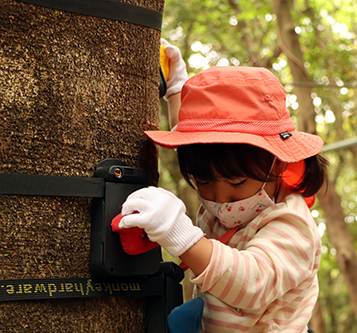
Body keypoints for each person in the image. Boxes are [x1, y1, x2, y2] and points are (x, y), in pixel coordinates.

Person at [118, 40, 329, 332]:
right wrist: (176, 88)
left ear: (277, 164)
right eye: (203, 181)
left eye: (237, 182)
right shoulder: (227, 192)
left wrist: (180, 234)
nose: (220, 197)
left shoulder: (291, 223)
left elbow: (252, 283)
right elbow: (189, 139)